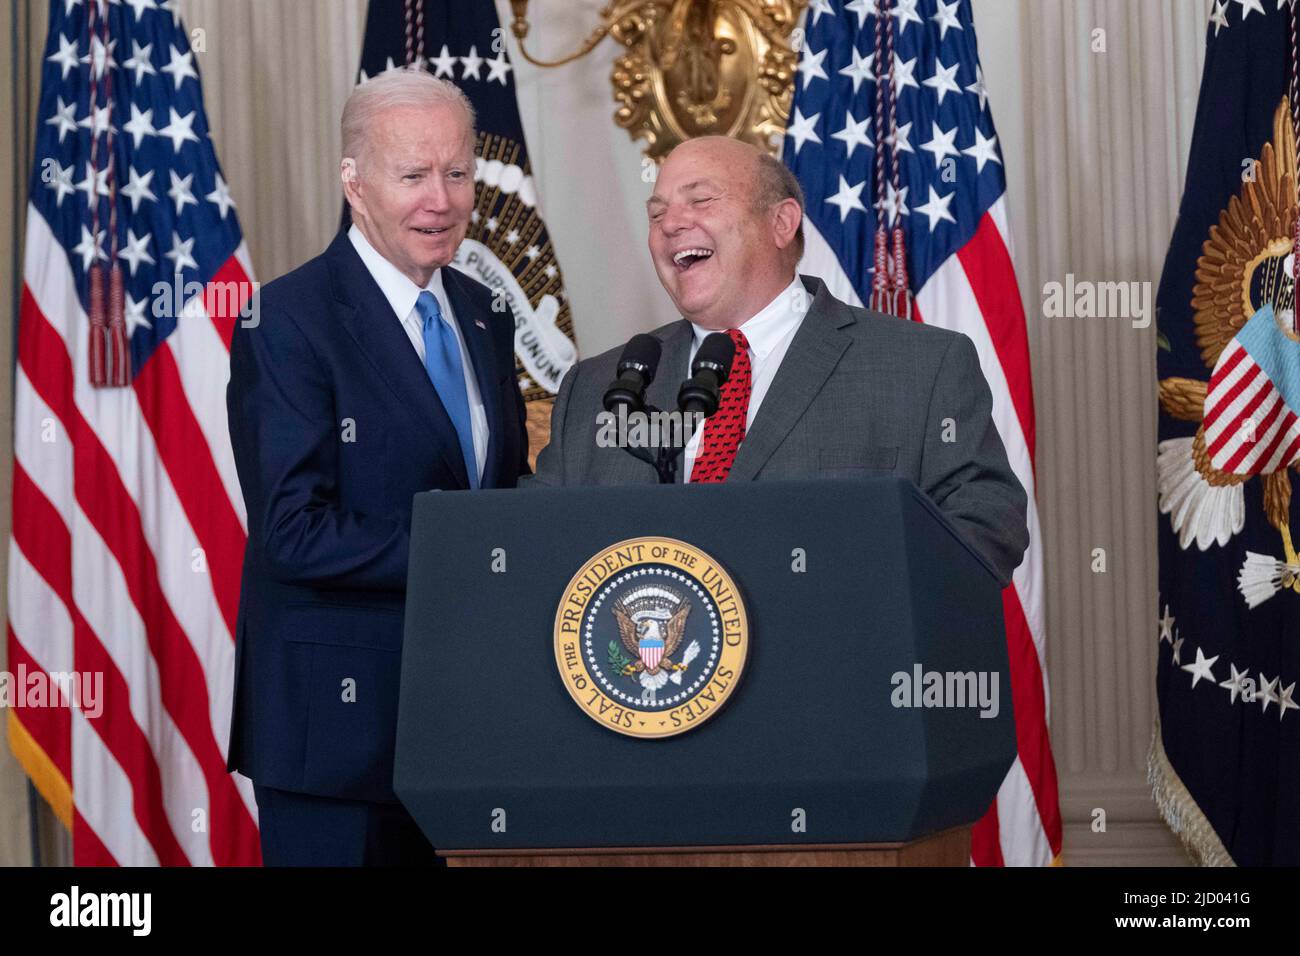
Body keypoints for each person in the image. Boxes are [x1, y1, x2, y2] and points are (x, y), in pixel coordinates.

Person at [226, 70, 529, 865]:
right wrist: (472, 555)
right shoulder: (286, 319)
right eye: (413, 175)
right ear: (353, 184)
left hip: (475, 724)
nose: (442, 200)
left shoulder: (484, 311)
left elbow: (498, 492)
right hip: (337, 741)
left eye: (458, 173)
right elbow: (294, 532)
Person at [532, 135, 1028, 585]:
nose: (672, 224)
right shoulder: (598, 388)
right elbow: (538, 545)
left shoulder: (921, 367)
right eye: (656, 214)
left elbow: (985, 528)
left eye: (700, 200)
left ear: (781, 222)